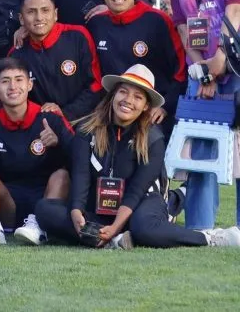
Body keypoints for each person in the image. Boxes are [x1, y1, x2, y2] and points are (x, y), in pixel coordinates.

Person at [34, 65, 240, 248]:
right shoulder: (86, 131)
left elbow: (136, 190)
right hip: (98, 207)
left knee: (143, 228)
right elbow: (81, 177)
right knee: (45, 209)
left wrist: (116, 225)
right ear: (113, 95)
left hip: (142, 202)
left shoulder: (153, 138)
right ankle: (114, 240)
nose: (128, 101)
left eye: (138, 97)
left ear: (146, 107)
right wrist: (77, 214)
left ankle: (208, 237)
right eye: (123, 92)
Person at [167, 0, 240, 230]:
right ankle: (200, 228)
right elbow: (184, 28)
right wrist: (202, 70)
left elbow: (235, 13)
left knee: (239, 145)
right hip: (202, 70)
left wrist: (220, 61)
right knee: (199, 147)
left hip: (234, 63)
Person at [0, 57, 73, 246]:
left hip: (45, 201)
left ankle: (40, 227)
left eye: (19, 80)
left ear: (29, 85)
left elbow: (78, 157)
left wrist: (57, 145)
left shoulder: (50, 119)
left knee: (62, 175)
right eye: (5, 81)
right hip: (7, 204)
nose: (12, 87)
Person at [87, 0, 185, 137]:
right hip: (112, 112)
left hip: (152, 112)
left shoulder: (158, 21)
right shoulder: (96, 24)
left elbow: (180, 69)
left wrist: (165, 105)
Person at [5, 0, 103, 121]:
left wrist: (64, 113)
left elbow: (95, 85)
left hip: (81, 121)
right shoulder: (16, 54)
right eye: (31, 12)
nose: (39, 18)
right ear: (21, 19)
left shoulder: (78, 36)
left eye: (45, 10)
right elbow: (15, 100)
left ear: (55, 14)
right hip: (41, 124)